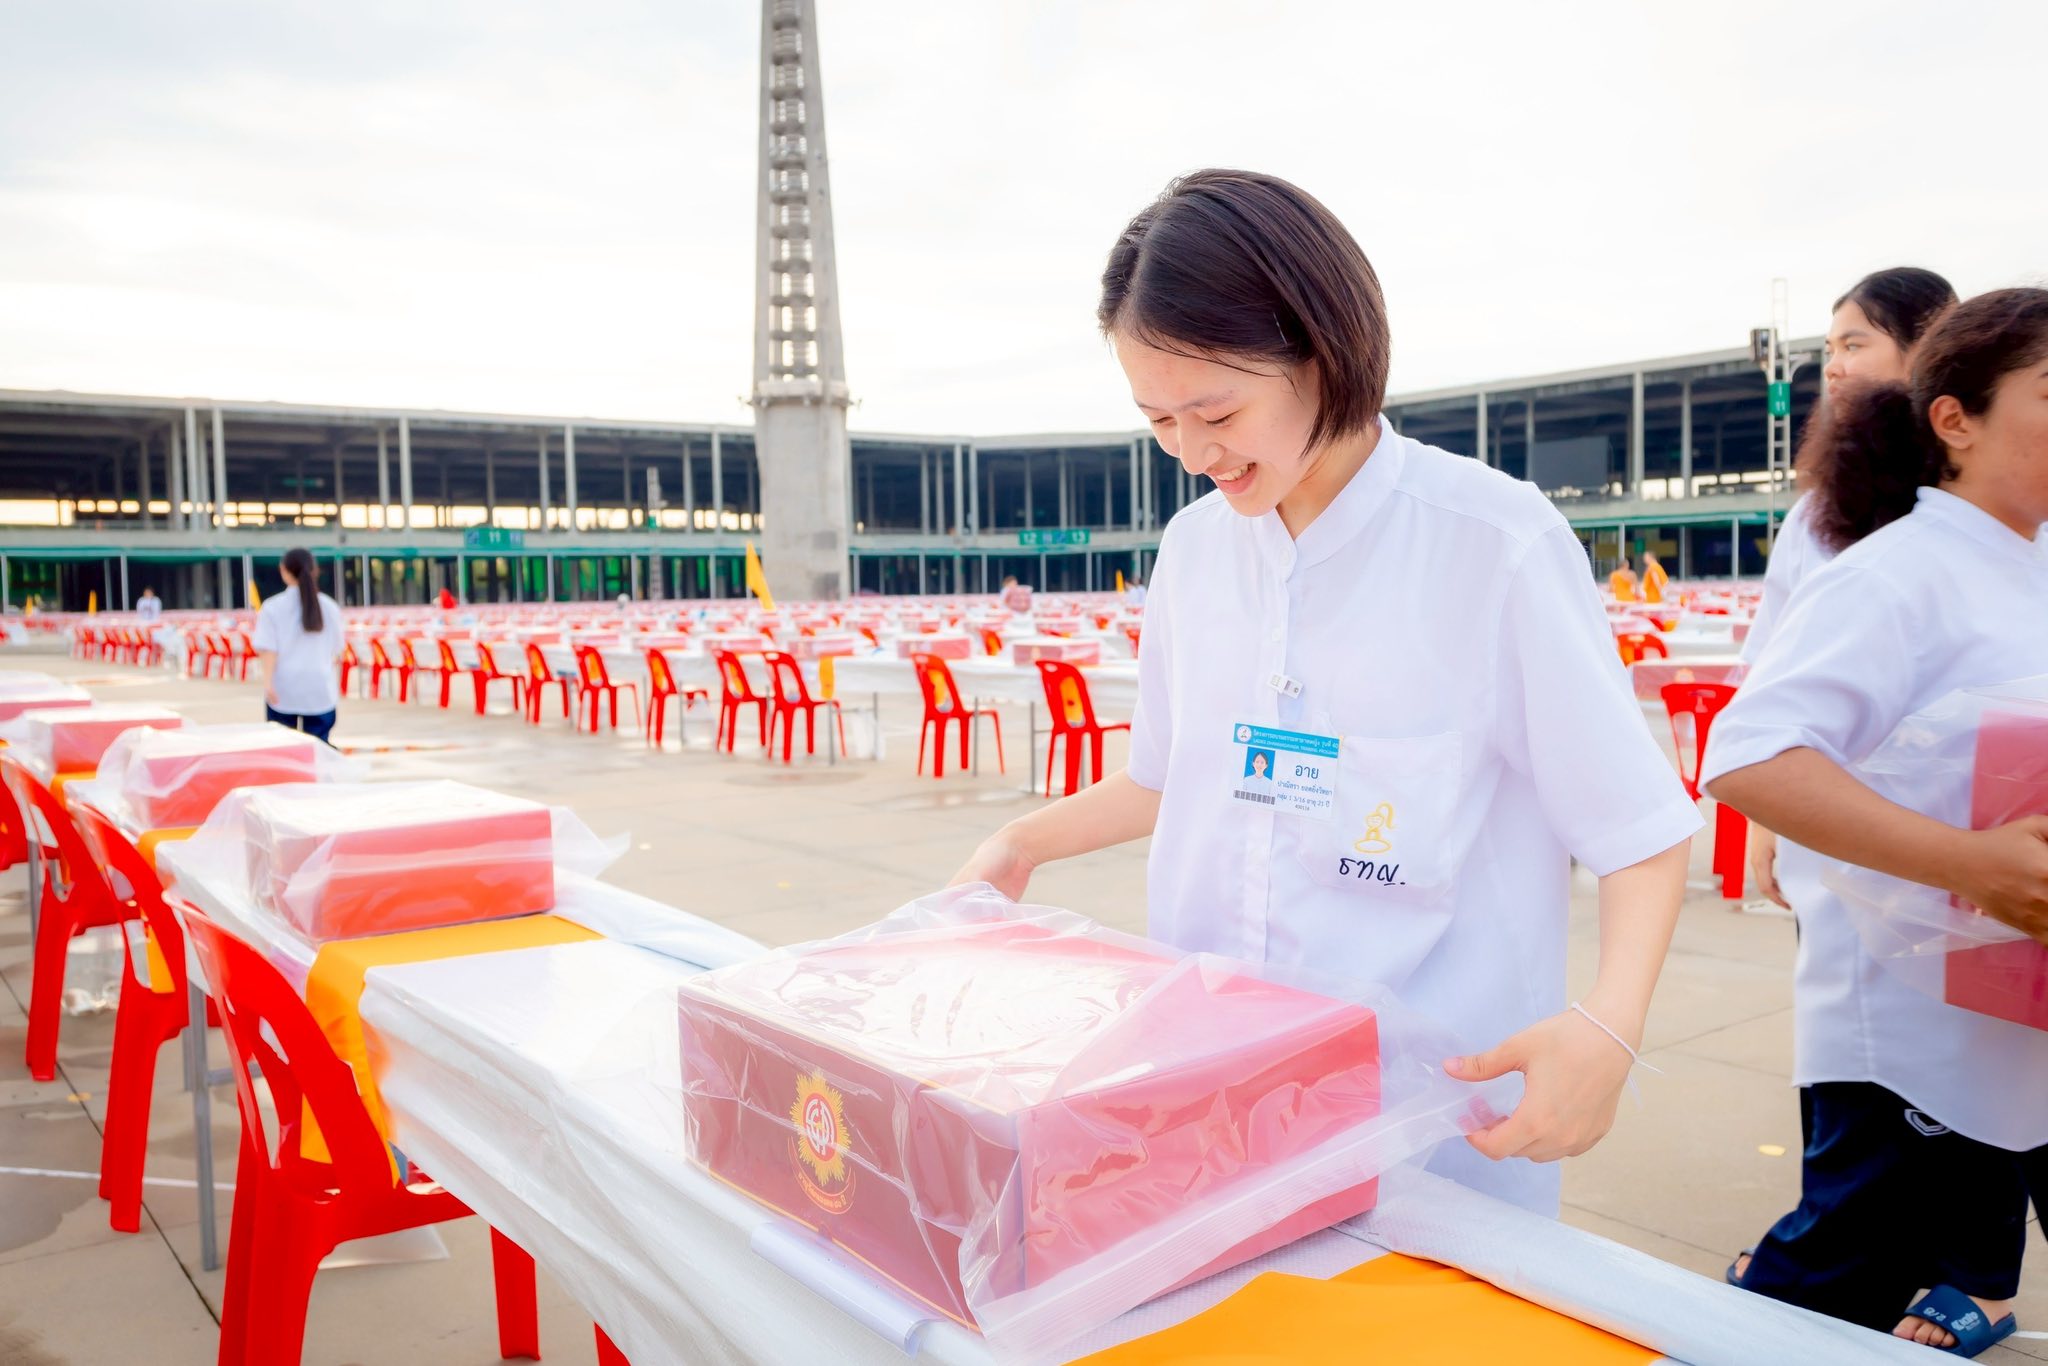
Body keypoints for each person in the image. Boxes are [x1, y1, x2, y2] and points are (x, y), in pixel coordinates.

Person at [951, 170, 1698, 1214]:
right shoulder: (1195, 550)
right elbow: (1173, 780)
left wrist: (1607, 1028)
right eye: (1158, 421)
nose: (1194, 454)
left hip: (1428, 1126)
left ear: (1321, 349)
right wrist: (1020, 843)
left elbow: (1636, 830)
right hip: (1214, 1108)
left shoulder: (1491, 546)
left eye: (1216, 410)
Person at [1703, 288, 2048, 1355]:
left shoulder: (2024, 564)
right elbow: (1747, 752)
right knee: (1820, 1302)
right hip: (1909, 1027)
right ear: (1954, 418)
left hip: (2014, 1006)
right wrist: (1967, 862)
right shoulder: (1900, 573)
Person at [1742, 269, 1958, 909]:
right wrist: (1767, 817)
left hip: (1967, 823)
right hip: (1837, 832)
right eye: (1830, 349)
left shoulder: (1993, 506)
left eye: (1855, 344)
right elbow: (1766, 671)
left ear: (1927, 349)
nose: (1833, 367)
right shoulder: (1816, 517)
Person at [253, 547, 346, 744]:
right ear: (315, 571)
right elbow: (337, 648)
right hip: (319, 688)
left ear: (283, 570)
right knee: (319, 751)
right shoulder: (329, 607)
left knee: (285, 752)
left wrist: (267, 683)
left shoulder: (272, 607)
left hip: (284, 689)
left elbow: (268, 649)